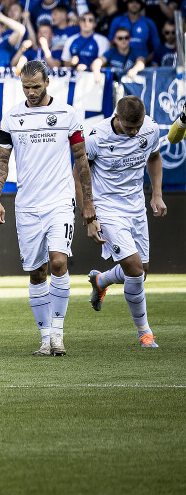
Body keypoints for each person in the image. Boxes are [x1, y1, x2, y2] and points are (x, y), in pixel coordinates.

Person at [0, 60, 96, 357]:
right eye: (26, 87)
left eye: (36, 86)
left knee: (59, 263)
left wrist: (88, 201)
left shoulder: (67, 115)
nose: (31, 92)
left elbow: (81, 160)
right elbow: (1, 162)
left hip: (60, 201)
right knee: (37, 272)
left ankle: (58, 335)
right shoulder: (11, 117)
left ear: (48, 82)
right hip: (27, 206)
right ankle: (45, 338)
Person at [84, 97, 168, 348]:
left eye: (138, 127)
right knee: (134, 270)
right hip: (107, 207)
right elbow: (80, 174)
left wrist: (156, 194)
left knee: (142, 271)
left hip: (136, 206)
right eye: (130, 127)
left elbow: (154, 157)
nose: (134, 132)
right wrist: (89, 214)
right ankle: (145, 333)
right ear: (117, 117)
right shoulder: (95, 136)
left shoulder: (150, 128)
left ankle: (102, 280)